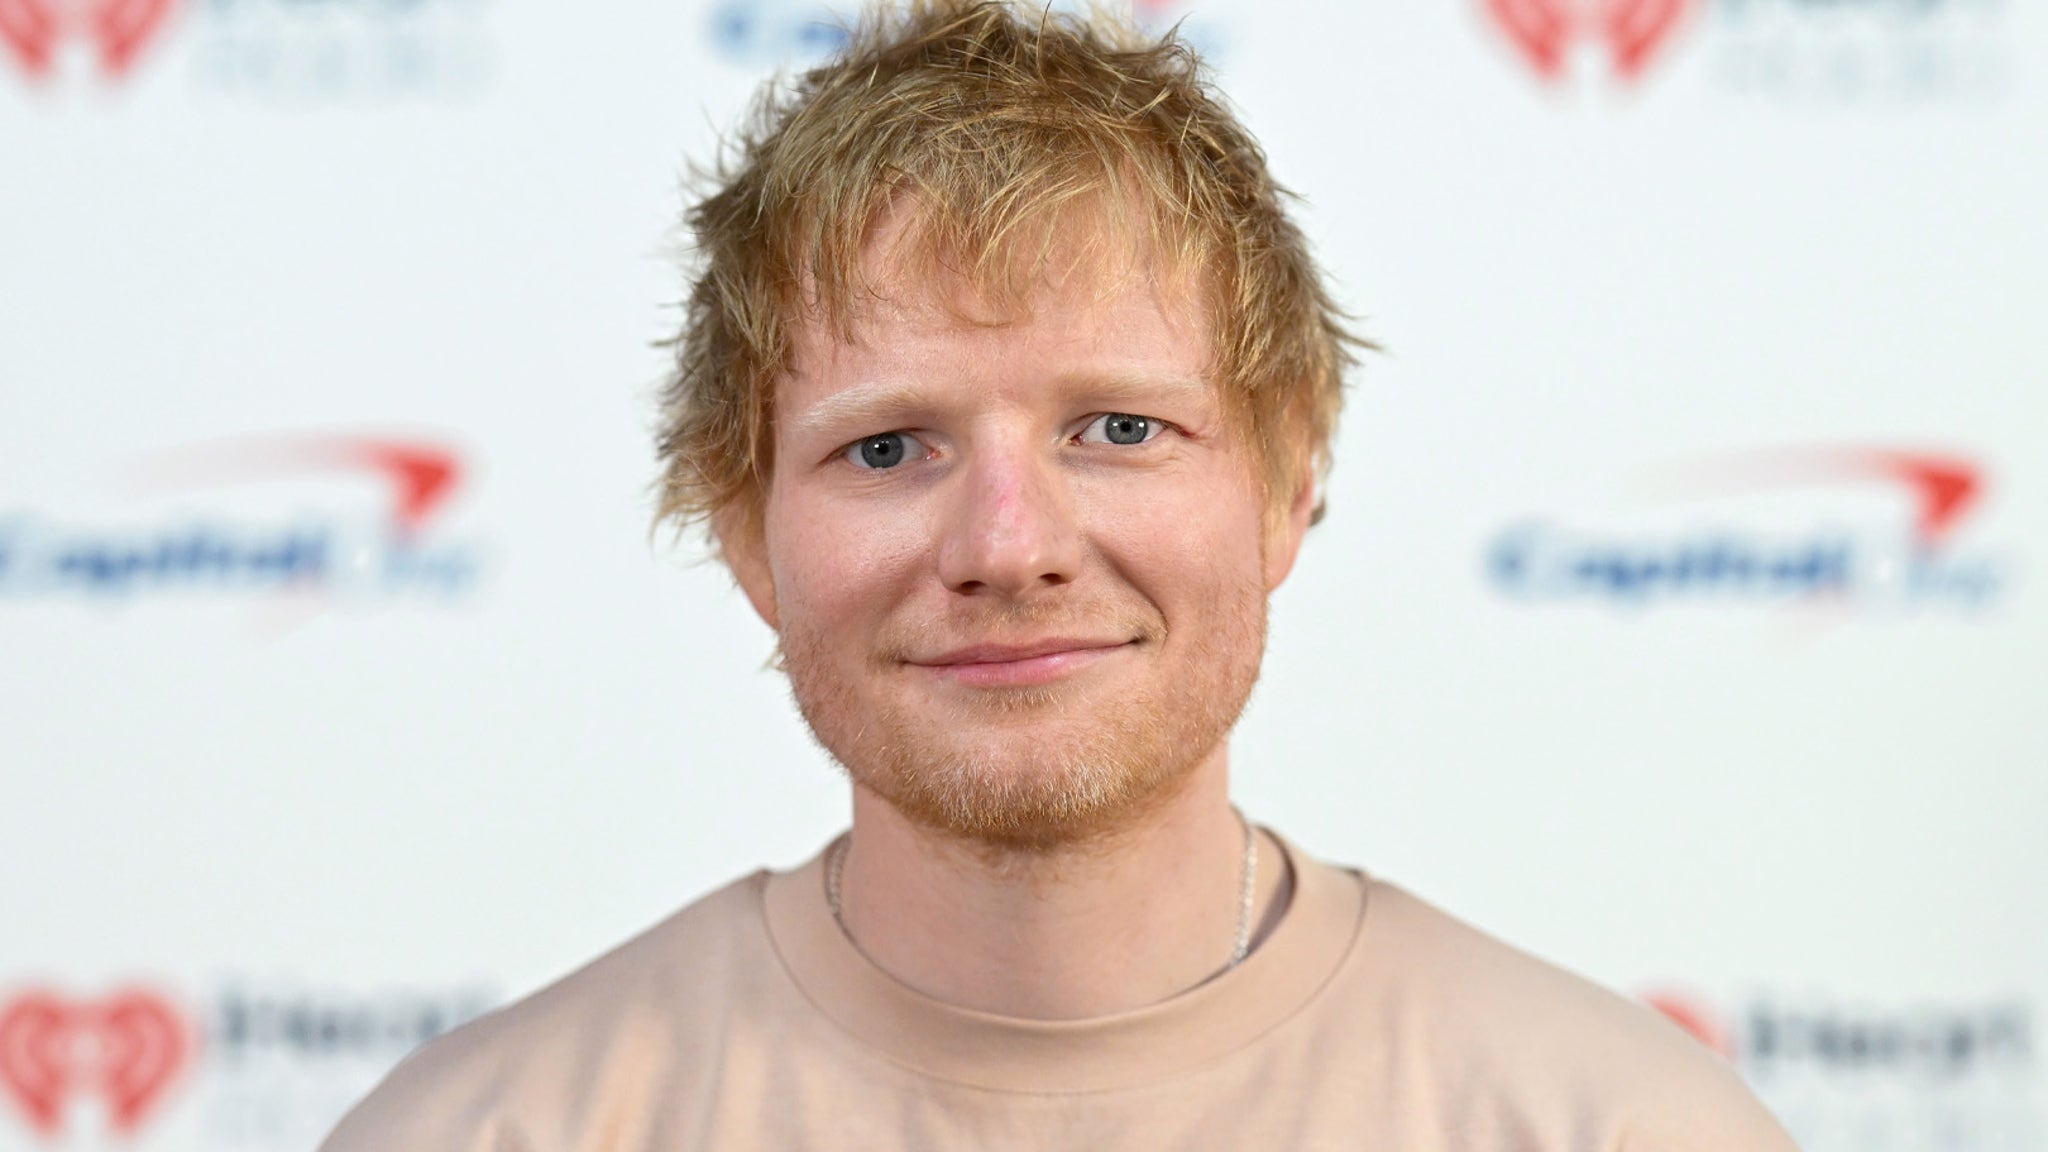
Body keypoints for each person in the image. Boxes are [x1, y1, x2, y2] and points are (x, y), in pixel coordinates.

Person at [322, 2, 1799, 1148]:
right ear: (742, 531)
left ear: (1287, 485)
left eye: (1120, 429)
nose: (1008, 546)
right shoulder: (488, 1134)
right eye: (888, 448)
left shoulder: (1616, 1128)